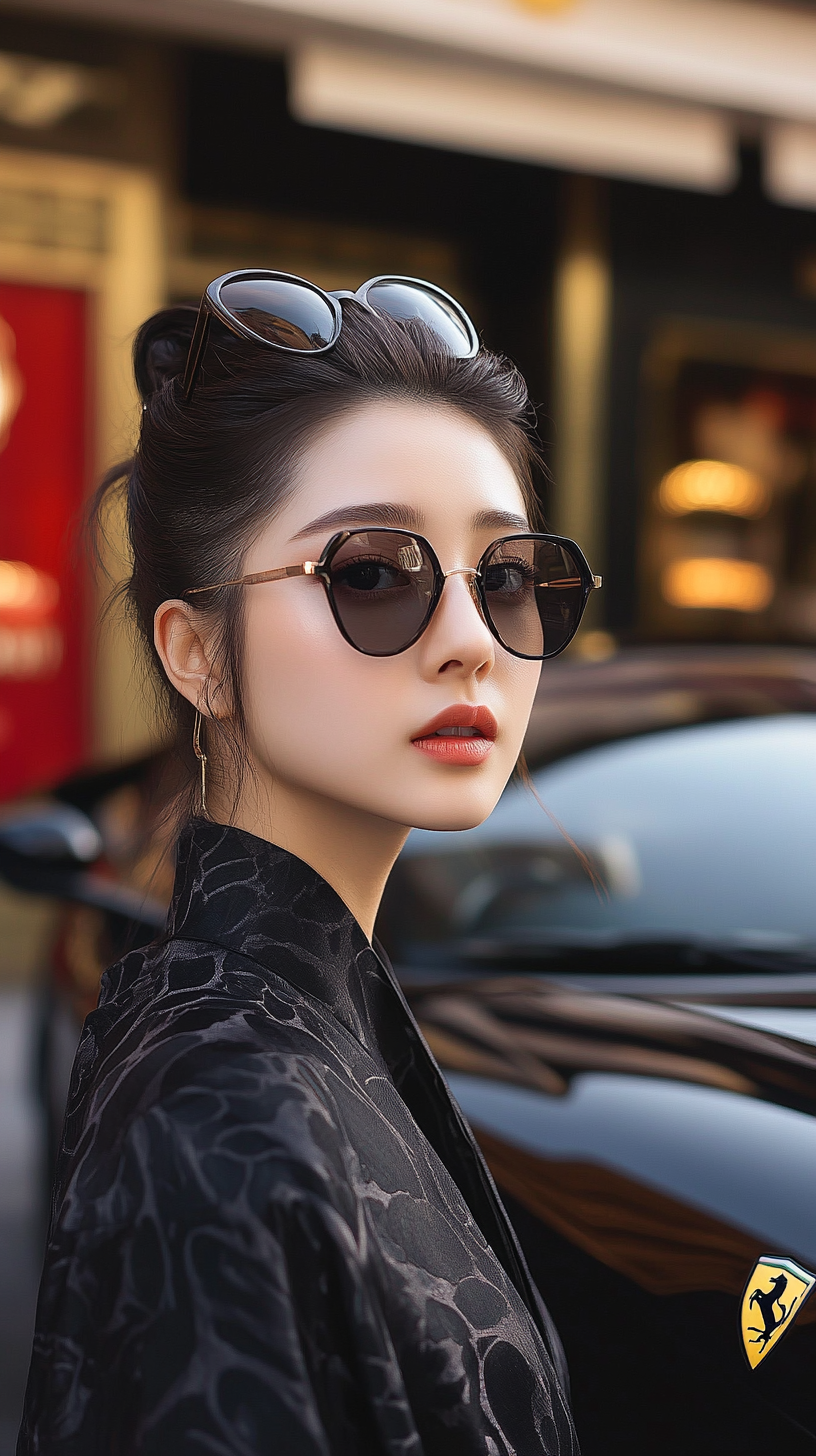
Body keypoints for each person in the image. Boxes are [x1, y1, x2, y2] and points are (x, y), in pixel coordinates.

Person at [18, 272, 599, 1455]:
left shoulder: (298, 1018)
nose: (467, 645)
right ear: (198, 655)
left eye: (503, 577)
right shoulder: (222, 1114)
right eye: (373, 573)